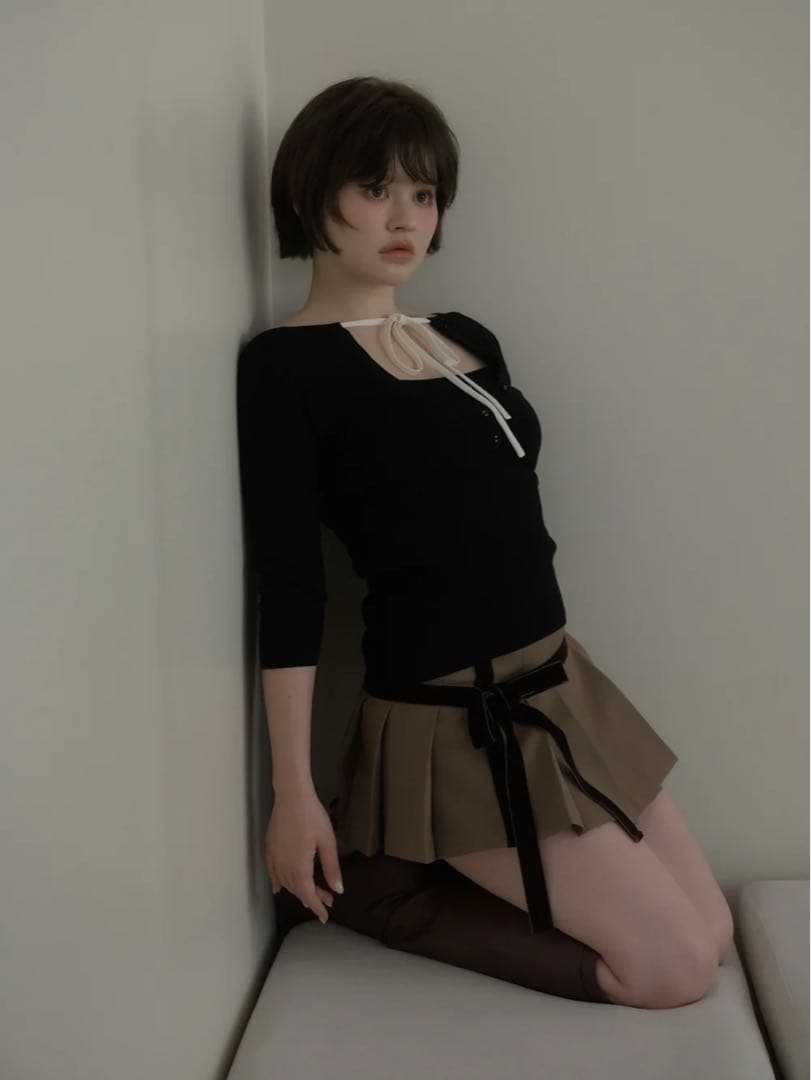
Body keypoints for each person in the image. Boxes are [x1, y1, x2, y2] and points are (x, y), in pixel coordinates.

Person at [236, 75, 734, 1009]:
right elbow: (291, 586)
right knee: (668, 973)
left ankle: (415, 867)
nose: (406, 218)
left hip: (562, 686)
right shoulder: (283, 369)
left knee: (713, 936)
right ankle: (383, 894)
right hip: (456, 723)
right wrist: (291, 792)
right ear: (308, 195)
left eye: (423, 193)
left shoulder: (463, 336)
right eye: (374, 188)